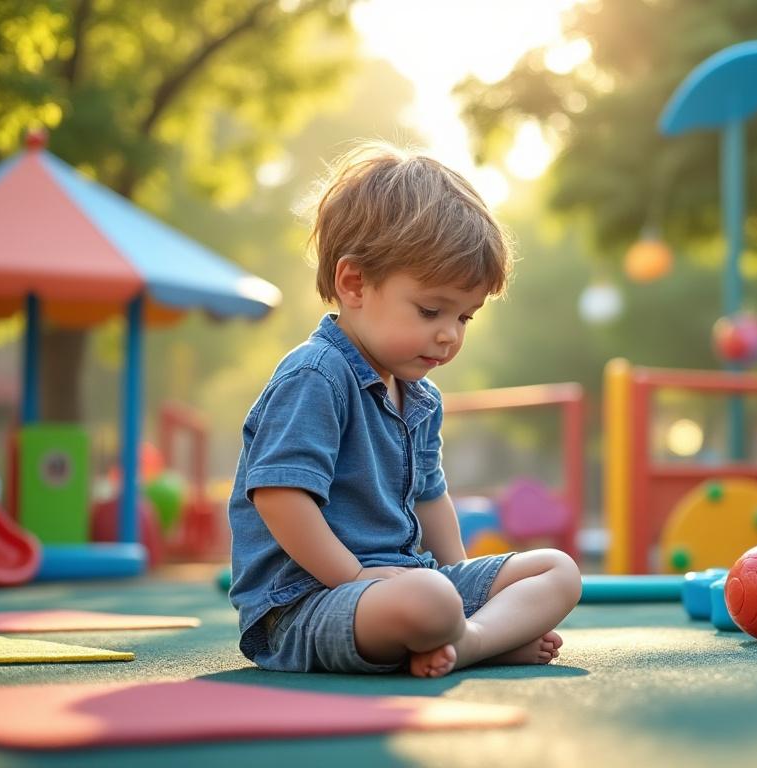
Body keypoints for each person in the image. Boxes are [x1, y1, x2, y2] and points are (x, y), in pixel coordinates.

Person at [227, 142, 582, 678]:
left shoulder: (420, 397)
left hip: (407, 582)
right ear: (354, 284)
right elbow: (280, 497)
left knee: (559, 570)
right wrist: (356, 578)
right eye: (432, 310)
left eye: (466, 317)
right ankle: (462, 633)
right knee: (429, 601)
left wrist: (466, 586)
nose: (449, 334)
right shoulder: (316, 375)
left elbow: (432, 499)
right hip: (310, 600)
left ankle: (469, 639)